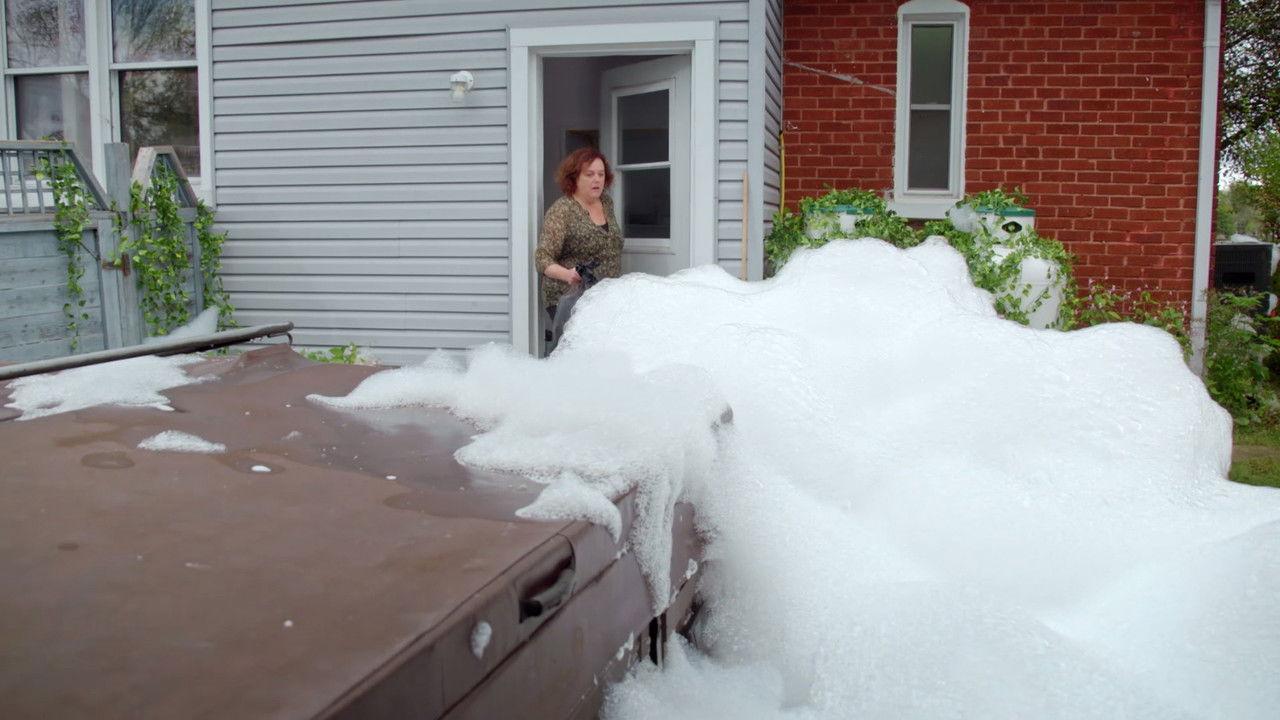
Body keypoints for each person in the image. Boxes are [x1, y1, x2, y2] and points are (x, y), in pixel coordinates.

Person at [535, 147, 624, 329]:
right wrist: (568, 274)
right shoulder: (562, 211)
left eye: (601, 174)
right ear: (574, 177)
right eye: (589, 174)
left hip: (602, 296)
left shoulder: (606, 202)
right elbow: (542, 258)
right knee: (575, 352)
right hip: (569, 299)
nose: (597, 179)